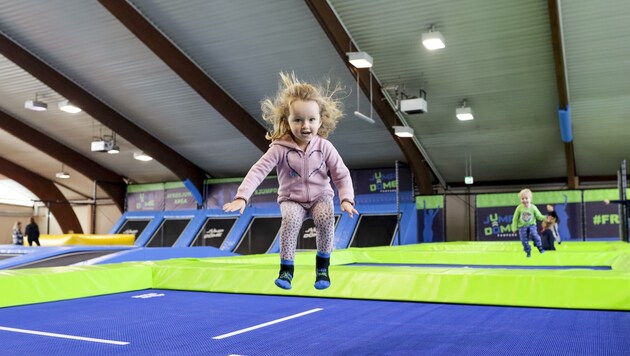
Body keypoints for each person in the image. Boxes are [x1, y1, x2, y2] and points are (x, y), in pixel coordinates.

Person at [223, 72, 358, 290]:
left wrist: (347, 199)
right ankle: (286, 270)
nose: (305, 125)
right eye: (298, 120)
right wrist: (242, 197)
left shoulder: (324, 147)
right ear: (287, 121)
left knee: (325, 218)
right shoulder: (279, 148)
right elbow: (258, 171)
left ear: (320, 120)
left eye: (311, 120)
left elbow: (341, 173)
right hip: (291, 199)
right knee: (291, 222)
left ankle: (322, 267)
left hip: (319, 196)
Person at [511, 189, 546, 257]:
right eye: (522, 198)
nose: (524, 200)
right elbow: (515, 219)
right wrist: (514, 228)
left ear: (530, 199)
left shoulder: (533, 207)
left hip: (531, 225)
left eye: (526, 198)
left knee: (534, 234)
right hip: (522, 227)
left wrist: (545, 218)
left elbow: (539, 216)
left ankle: (539, 246)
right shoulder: (519, 208)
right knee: (524, 240)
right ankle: (528, 251)